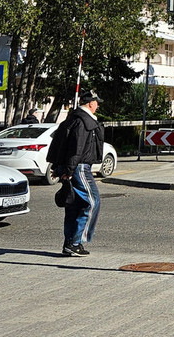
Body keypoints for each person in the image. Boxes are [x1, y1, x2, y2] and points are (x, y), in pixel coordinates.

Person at [54, 89, 105, 257]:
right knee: (92, 202)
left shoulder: (73, 119)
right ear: (91, 103)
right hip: (79, 167)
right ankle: (75, 242)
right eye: (96, 103)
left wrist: (58, 167)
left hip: (72, 167)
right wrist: (69, 169)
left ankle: (70, 244)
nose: (98, 106)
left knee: (74, 206)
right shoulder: (84, 121)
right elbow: (77, 147)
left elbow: (61, 144)